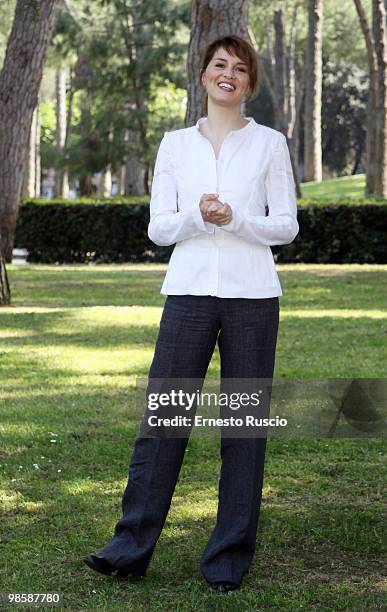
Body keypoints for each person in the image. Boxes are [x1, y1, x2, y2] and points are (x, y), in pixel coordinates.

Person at [83, 34, 299, 594]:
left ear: (250, 82)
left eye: (240, 68)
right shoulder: (176, 145)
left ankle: (228, 559)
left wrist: (237, 220)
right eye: (219, 65)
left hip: (254, 296)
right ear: (203, 75)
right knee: (164, 422)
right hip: (188, 294)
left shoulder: (271, 143)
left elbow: (286, 225)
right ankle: (128, 548)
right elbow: (159, 227)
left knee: (244, 429)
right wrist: (202, 219)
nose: (229, 74)